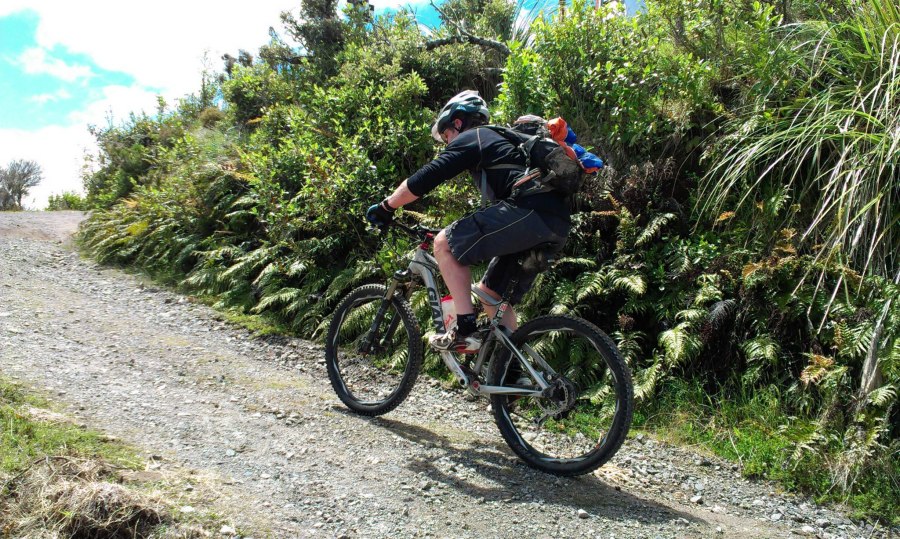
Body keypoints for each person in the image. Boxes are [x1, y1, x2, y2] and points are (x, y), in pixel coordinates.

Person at [366, 90, 571, 353]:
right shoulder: (503, 144)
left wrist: (386, 206)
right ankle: (512, 371)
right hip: (556, 223)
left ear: (458, 122)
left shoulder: (475, 136)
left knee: (445, 244)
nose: (447, 143)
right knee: (491, 294)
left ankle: (464, 331)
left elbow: (425, 178)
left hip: (529, 212)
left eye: (446, 135)